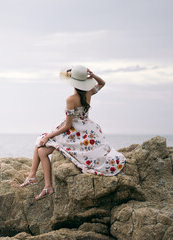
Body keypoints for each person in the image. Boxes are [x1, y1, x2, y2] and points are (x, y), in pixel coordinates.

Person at [20, 65, 126, 200]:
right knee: (41, 148)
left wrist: (49, 136)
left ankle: (37, 180)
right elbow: (102, 83)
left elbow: (68, 126)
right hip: (88, 129)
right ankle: (37, 180)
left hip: (75, 132)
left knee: (41, 142)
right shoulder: (89, 92)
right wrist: (93, 76)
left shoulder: (71, 99)